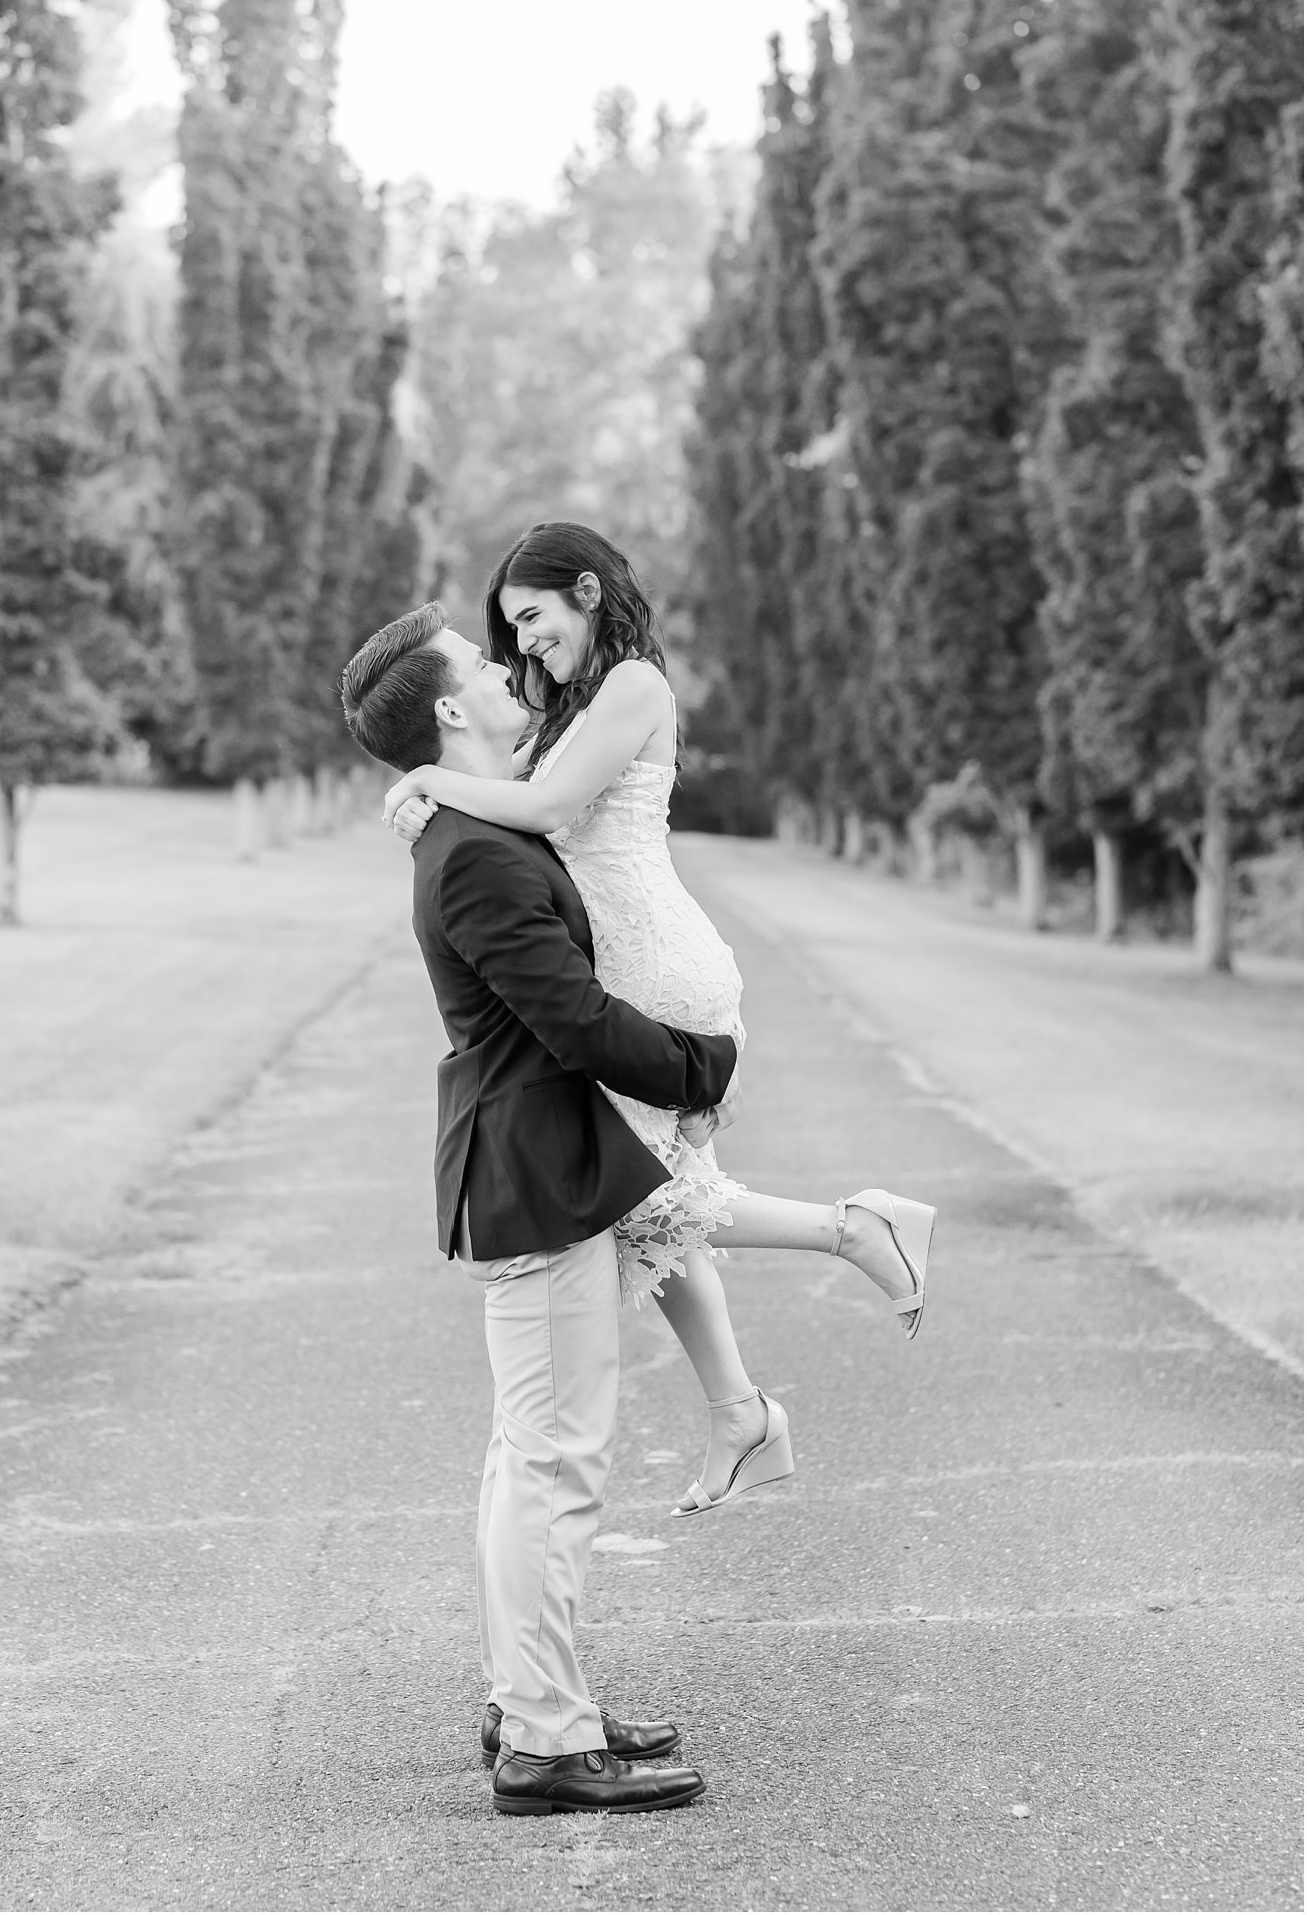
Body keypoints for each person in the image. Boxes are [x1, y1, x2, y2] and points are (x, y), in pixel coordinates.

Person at [383, 521, 936, 1517]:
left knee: (642, 1202)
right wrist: (442, 790)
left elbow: (546, 808)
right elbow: (509, 792)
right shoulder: (567, 698)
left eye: (533, 619)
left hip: (651, 962)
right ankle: (741, 1408)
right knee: (649, 1206)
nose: (523, 648)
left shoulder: (634, 683)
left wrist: (424, 778)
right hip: (624, 959)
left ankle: (852, 1235)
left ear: (587, 592)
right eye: (507, 635)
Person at [341, 600, 737, 1816]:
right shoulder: (472, 853)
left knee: (531, 1462)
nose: (510, 669)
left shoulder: (465, 826)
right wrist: (696, 1064)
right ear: (451, 709)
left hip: (530, 1168)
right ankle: (547, 1743)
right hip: (536, 1176)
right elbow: (571, 1016)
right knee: (553, 1466)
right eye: (482, 661)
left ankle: (533, 1700)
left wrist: (416, 788)